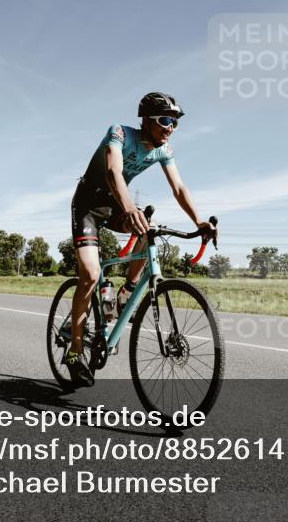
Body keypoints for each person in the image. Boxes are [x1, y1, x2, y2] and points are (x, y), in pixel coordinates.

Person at [66, 92, 215, 386]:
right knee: (91, 275)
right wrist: (130, 208)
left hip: (115, 207)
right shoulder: (120, 133)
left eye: (175, 122)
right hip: (88, 207)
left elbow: (179, 188)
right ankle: (74, 351)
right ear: (146, 120)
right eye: (165, 120)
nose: (170, 128)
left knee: (151, 227)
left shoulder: (163, 149)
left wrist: (198, 221)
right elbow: (113, 172)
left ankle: (127, 291)